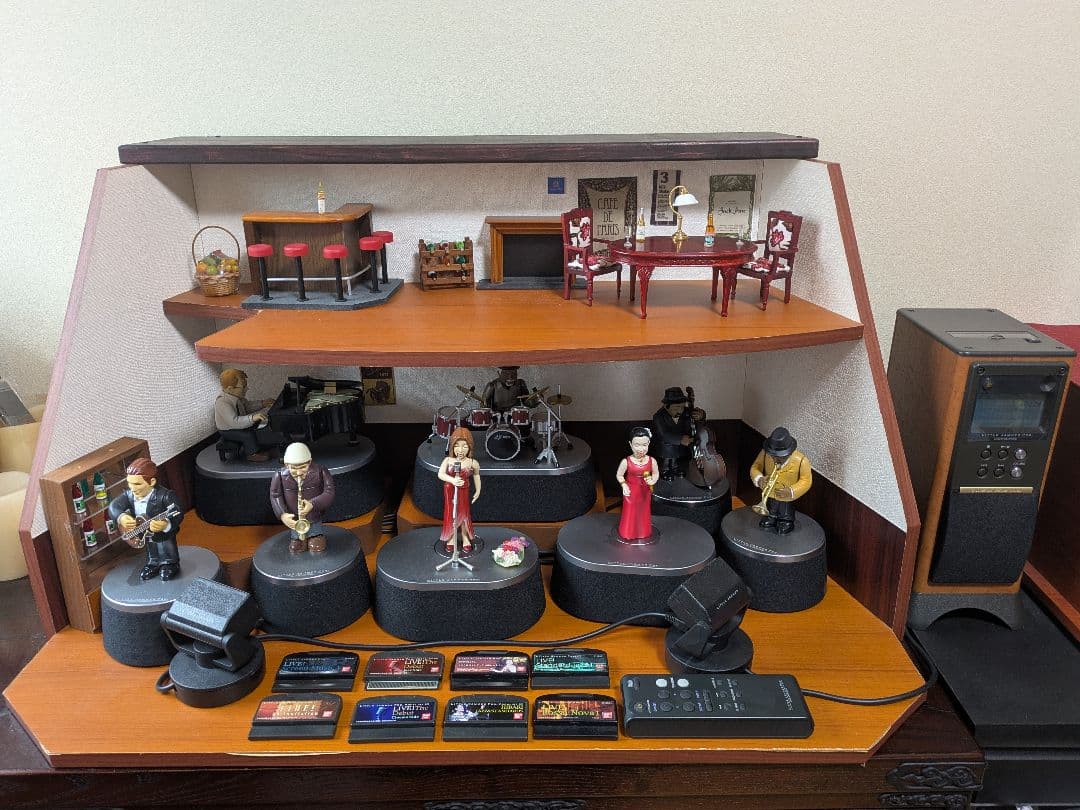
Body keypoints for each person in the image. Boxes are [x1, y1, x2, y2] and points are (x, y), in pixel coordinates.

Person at [108, 457, 184, 581]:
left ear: (152, 482)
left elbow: (178, 512)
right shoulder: (129, 495)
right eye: (130, 483)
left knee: (165, 545)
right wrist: (121, 517)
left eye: (137, 484)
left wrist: (166, 524)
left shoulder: (165, 496)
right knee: (151, 547)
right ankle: (153, 563)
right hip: (144, 532)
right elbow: (114, 506)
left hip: (163, 534)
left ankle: (170, 563)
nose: (133, 488)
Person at [269, 442, 335, 553]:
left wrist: (313, 504)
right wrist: (282, 514)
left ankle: (316, 535)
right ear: (286, 464)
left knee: (315, 526)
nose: (298, 473)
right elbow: (275, 495)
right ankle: (297, 538)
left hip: (313, 514)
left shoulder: (320, 471)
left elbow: (329, 491)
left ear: (309, 462)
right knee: (296, 544)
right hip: (295, 517)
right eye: (294, 468)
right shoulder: (280, 475)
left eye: (303, 467)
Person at [749, 426, 813, 535]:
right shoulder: (765, 453)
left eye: (780, 456)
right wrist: (759, 479)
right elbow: (756, 467)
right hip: (770, 492)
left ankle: (786, 521)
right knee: (771, 505)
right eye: (773, 455)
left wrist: (792, 491)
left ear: (789, 452)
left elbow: (806, 480)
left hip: (786, 496)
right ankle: (771, 516)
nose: (775, 459)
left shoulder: (801, 460)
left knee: (785, 509)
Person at [214, 368, 283, 462]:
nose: (247, 389)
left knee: (259, 426)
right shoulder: (223, 403)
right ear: (230, 388)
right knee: (247, 435)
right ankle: (252, 454)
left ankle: (264, 444)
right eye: (243, 386)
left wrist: (262, 403)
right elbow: (234, 422)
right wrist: (252, 418)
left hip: (237, 424)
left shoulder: (237, 398)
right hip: (229, 430)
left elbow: (247, 407)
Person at [437, 426, 481, 554]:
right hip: (450, 491)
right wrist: (452, 480)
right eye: (457, 446)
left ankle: (465, 536)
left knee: (464, 514)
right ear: (452, 446)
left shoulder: (472, 462)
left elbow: (476, 475)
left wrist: (478, 491)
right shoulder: (448, 460)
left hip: (464, 491)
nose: (460, 450)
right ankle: (451, 537)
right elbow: (441, 474)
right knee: (451, 513)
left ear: (470, 447)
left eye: (464, 446)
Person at [615, 427, 660, 541]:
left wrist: (653, 480)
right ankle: (628, 532)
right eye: (637, 445)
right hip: (631, 491)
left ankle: (643, 532)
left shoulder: (652, 461)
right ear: (630, 444)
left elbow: (656, 473)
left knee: (643, 512)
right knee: (630, 512)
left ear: (648, 443)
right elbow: (619, 475)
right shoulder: (626, 462)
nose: (641, 449)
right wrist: (624, 485)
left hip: (644, 492)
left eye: (644, 445)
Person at [652, 386, 699, 481]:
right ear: (666, 406)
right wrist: (680, 439)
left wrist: (701, 415)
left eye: (682, 407)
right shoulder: (658, 417)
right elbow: (663, 434)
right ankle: (665, 470)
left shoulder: (685, 412)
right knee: (668, 458)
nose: (680, 411)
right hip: (667, 444)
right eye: (676, 408)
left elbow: (695, 414)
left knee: (676, 458)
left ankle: (674, 468)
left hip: (679, 445)